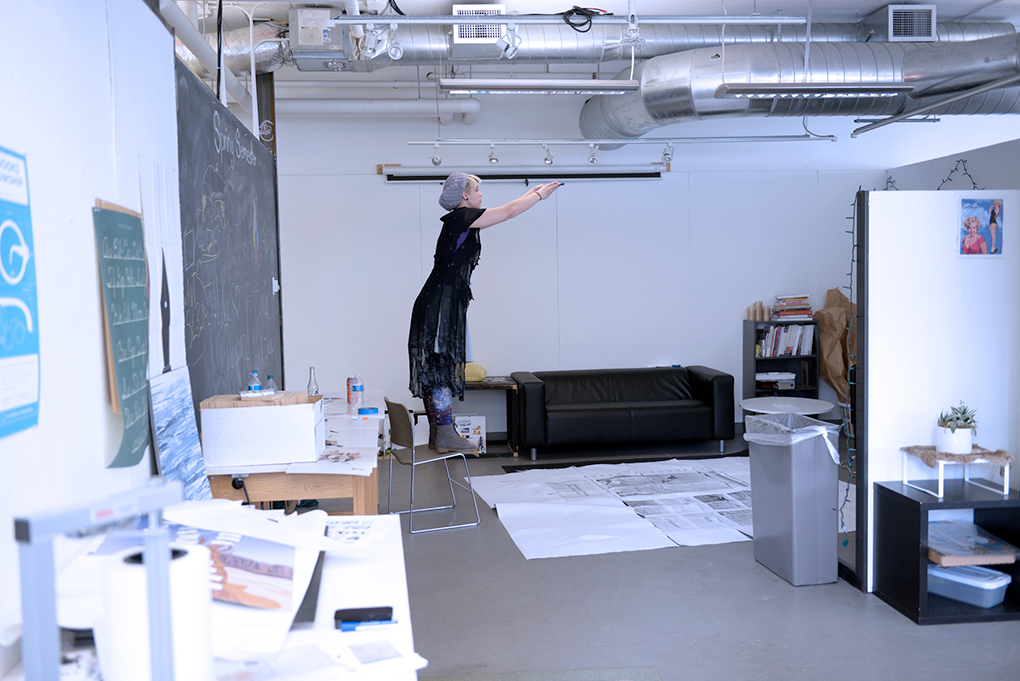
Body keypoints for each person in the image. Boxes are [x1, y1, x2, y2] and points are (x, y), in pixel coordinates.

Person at [408, 172, 561, 452]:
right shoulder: (462, 217)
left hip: (440, 301)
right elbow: (509, 212)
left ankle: (440, 433)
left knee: (438, 367)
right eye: (478, 190)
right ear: (465, 196)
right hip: (440, 303)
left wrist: (533, 192)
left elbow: (507, 208)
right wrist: (539, 196)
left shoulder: (464, 220)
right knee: (440, 369)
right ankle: (444, 434)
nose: (481, 195)